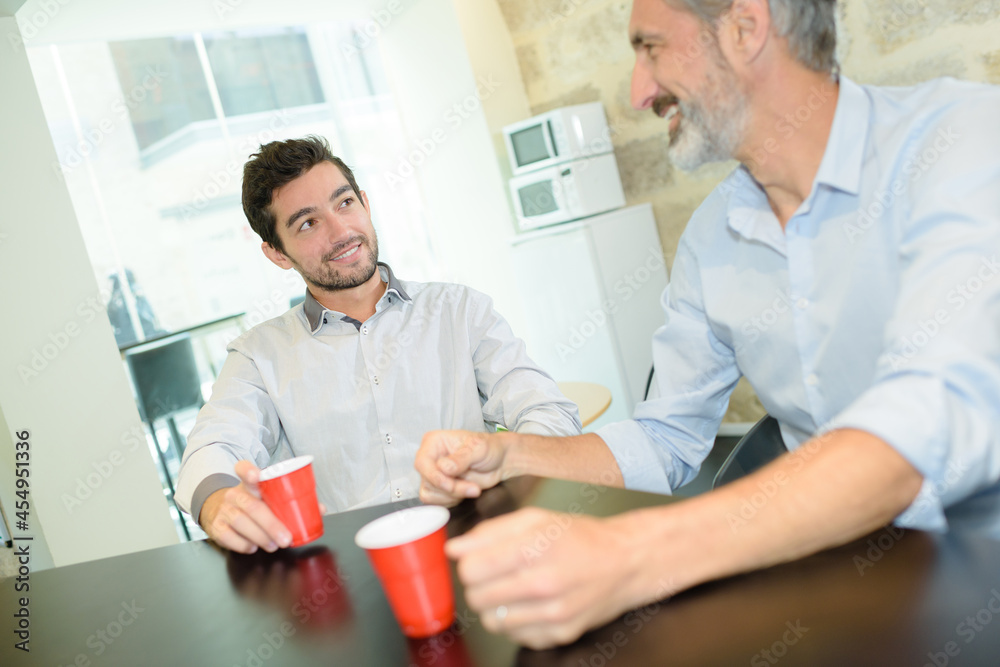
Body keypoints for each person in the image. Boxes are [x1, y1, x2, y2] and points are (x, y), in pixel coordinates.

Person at [415, 0, 1000, 650]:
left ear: (745, 27)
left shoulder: (962, 139)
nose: (638, 92)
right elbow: (664, 439)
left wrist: (629, 554)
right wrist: (510, 453)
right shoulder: (710, 240)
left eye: (652, 47)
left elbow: (922, 421)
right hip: (832, 576)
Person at [176, 136, 581, 554]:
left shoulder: (460, 311)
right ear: (277, 253)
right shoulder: (259, 357)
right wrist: (219, 501)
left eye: (345, 203)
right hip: (346, 578)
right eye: (308, 223)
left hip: (481, 547)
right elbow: (213, 447)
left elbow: (548, 411)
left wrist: (507, 467)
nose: (341, 231)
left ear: (365, 204)